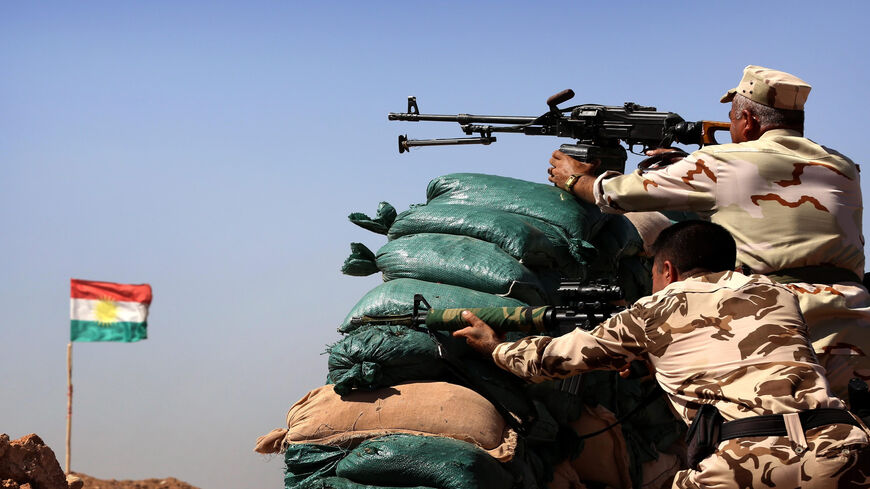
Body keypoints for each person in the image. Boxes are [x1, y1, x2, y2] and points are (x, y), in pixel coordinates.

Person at [454, 220, 870, 488]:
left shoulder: (653, 309)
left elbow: (558, 358)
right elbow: (730, 349)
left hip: (748, 461)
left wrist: (496, 347)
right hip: (844, 447)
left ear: (667, 271)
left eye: (654, 274)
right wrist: (654, 364)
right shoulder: (776, 292)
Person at [548, 65, 870, 402]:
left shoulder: (721, 162)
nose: (730, 128)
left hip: (778, 323)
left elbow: (618, 194)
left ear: (748, 119)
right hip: (853, 324)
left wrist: (574, 179)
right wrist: (684, 165)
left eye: (731, 119)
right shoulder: (842, 166)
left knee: (776, 437)